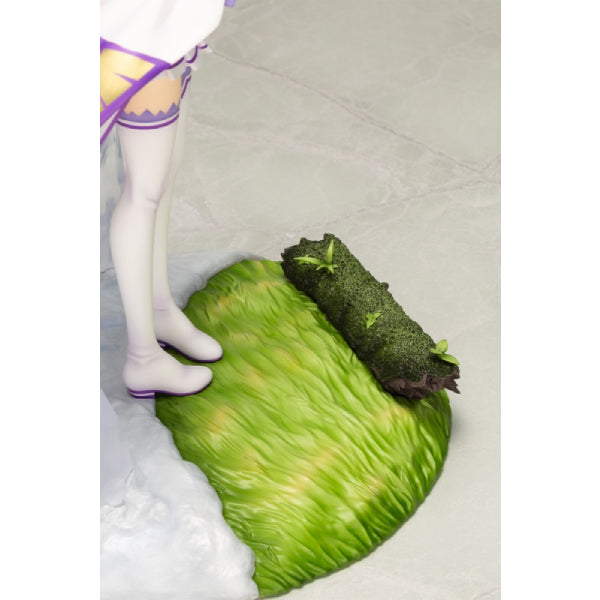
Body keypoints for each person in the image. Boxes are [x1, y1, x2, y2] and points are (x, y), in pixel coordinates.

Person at [100, 0, 235, 398]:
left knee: (165, 172)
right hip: (139, 30)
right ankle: (143, 357)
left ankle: (159, 309)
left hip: (170, 22)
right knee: (145, 190)